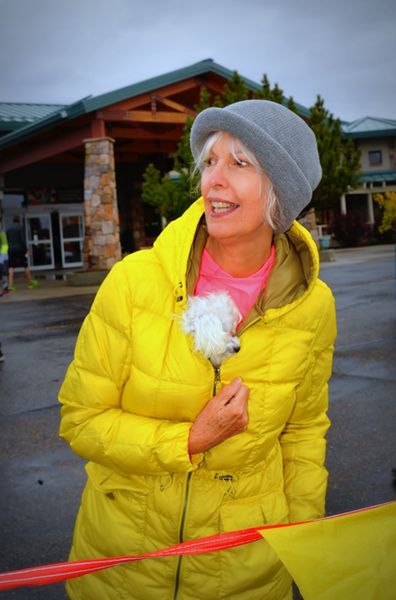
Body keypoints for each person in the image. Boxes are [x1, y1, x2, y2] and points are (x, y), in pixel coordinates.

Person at [59, 100, 336, 600]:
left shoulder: (312, 304)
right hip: (124, 569)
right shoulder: (133, 282)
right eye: (209, 162)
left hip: (244, 572)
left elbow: (304, 432)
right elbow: (81, 419)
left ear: (281, 191)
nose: (214, 179)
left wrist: (302, 541)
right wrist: (188, 441)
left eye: (239, 163)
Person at [7, 216, 38, 290]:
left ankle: (10, 285)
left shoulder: (8, 229)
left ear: (13, 221)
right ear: (19, 220)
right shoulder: (20, 227)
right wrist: (26, 250)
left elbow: (7, 241)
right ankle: (30, 283)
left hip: (11, 250)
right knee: (25, 265)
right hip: (19, 250)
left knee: (11, 266)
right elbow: (22, 240)